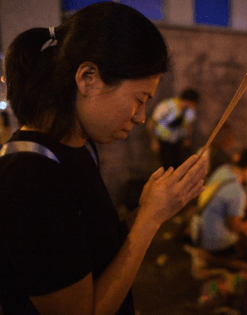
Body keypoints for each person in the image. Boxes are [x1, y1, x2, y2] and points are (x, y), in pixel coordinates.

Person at [0, 3, 207, 315]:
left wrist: (155, 208)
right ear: (88, 78)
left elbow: (93, 245)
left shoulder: (80, 146)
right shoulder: (28, 175)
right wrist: (148, 221)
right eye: (139, 100)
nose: (141, 117)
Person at [147, 88, 200, 169]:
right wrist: (154, 141)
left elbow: (188, 125)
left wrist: (187, 139)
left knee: (178, 166)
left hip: (177, 142)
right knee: (166, 167)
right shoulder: (166, 106)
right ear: (189, 101)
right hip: (163, 141)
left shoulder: (190, 110)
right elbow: (151, 123)